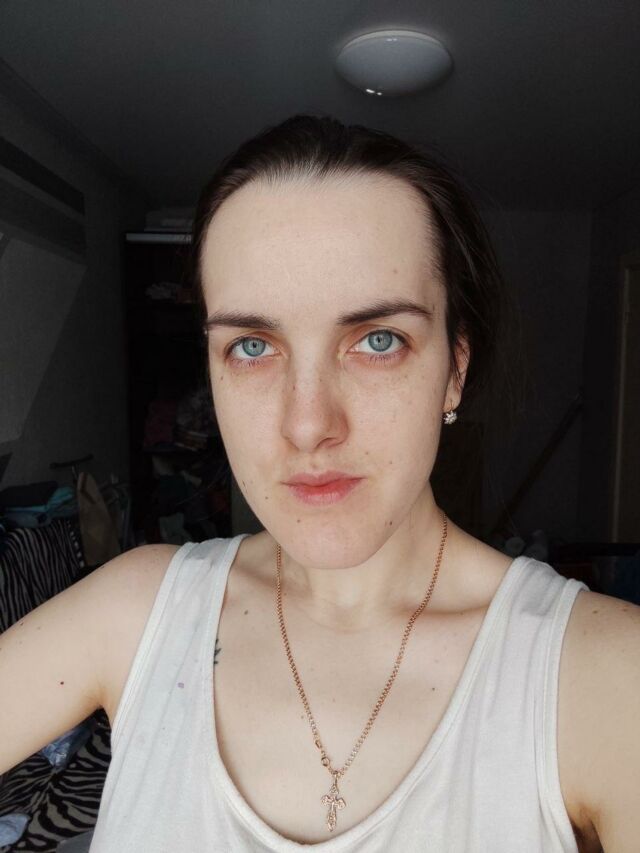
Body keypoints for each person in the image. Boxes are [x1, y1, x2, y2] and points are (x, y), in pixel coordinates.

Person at [1, 115, 638, 853]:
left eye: (378, 340)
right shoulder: (134, 610)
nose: (308, 425)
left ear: (454, 370)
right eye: (251, 346)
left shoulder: (604, 675)